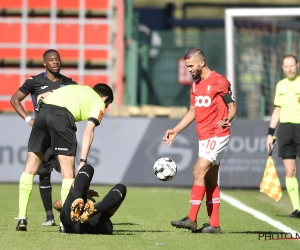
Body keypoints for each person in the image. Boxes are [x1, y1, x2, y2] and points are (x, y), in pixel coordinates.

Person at [15, 83, 114, 232]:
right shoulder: (98, 100)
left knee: (29, 169)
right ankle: (64, 222)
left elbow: (42, 96)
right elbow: (89, 132)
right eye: (107, 105)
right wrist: (83, 161)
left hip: (42, 112)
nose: (104, 108)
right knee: (68, 172)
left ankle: (22, 217)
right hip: (61, 117)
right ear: (105, 97)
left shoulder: (77, 89)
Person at [162, 48, 237, 234]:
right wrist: (176, 130)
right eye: (187, 66)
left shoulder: (220, 81)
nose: (189, 69)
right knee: (210, 179)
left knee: (198, 171)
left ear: (202, 62)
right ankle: (215, 225)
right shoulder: (195, 85)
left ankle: (192, 219)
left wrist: (229, 117)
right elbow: (192, 112)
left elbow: (232, 107)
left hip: (217, 134)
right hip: (203, 137)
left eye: (191, 66)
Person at [10, 49, 77, 227]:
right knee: (37, 171)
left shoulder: (69, 84)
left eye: (57, 59)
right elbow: (15, 99)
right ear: (44, 63)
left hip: (61, 130)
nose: (55, 62)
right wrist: (28, 119)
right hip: (42, 128)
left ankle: (64, 219)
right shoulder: (34, 81)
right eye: (51, 60)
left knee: (68, 172)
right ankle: (24, 216)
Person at [266, 55, 300, 218]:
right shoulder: (280, 85)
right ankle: (297, 209)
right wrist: (270, 134)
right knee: (290, 170)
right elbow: (277, 111)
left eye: (292, 66)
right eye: (286, 66)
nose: (289, 69)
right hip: (285, 130)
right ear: (282, 68)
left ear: (297, 66)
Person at [58, 163, 126, 234]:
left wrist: (83, 193)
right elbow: (117, 195)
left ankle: (77, 199)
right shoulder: (100, 218)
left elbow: (56, 205)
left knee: (87, 168)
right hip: (86, 227)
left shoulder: (100, 218)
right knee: (121, 188)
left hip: (68, 218)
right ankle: (94, 210)